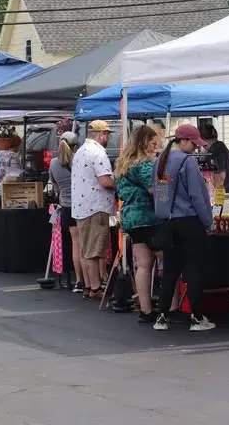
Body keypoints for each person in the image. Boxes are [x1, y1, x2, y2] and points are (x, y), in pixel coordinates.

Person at [152, 124, 216, 332]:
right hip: (189, 221)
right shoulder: (187, 163)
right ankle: (197, 318)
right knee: (193, 269)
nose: (196, 148)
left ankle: (161, 316)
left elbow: (158, 193)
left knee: (170, 270)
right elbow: (198, 196)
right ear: (183, 141)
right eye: (193, 143)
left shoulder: (160, 160)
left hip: (168, 222)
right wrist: (208, 221)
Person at [116, 125, 168, 322]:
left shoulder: (123, 164)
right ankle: (169, 307)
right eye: (153, 142)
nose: (156, 146)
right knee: (167, 260)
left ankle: (145, 310)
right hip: (150, 217)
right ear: (145, 142)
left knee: (143, 265)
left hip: (131, 219)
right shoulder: (145, 165)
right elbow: (156, 190)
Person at [71, 120, 116, 300]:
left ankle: (90, 285)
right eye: (107, 135)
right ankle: (95, 287)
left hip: (81, 206)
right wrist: (118, 184)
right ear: (102, 135)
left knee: (86, 248)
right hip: (96, 205)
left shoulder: (80, 151)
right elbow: (105, 181)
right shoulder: (98, 152)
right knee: (95, 249)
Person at [48, 131, 83, 292]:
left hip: (65, 206)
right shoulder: (78, 160)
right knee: (84, 245)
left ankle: (79, 280)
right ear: (75, 146)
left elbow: (54, 185)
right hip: (81, 205)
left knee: (74, 243)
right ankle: (88, 280)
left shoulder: (53, 163)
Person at [199, 122, 229, 194]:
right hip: (226, 190)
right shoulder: (220, 147)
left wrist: (215, 196)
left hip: (222, 193)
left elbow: (220, 177)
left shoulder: (215, 151)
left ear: (201, 138)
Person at [0, 125, 23, 202]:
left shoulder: (0, 154)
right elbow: (14, 175)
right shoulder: (12, 156)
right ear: (17, 145)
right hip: (8, 192)